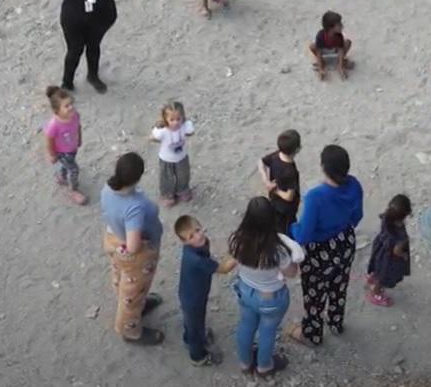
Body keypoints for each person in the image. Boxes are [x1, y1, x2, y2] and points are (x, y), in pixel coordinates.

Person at [289, 144, 364, 346]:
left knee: (315, 294)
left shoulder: (315, 196)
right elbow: (357, 217)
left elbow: (304, 236)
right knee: (339, 287)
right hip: (345, 243)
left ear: (323, 167)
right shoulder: (355, 185)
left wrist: (292, 228)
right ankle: (336, 322)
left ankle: (312, 334)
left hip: (319, 252)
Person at [230, 197, 304, 377]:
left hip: (245, 290)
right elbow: (291, 273)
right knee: (267, 331)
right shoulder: (276, 250)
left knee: (246, 325)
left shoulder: (237, 240)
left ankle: (245, 363)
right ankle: (264, 367)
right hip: (270, 297)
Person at [99, 152, 165, 345]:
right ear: (137, 177)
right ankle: (131, 331)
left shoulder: (108, 188)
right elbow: (134, 246)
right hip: (135, 256)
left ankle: (139, 305)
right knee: (133, 291)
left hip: (113, 239)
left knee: (120, 277)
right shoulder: (134, 207)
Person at [175, 215, 237, 366]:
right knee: (195, 325)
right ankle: (198, 356)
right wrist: (239, 254)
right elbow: (223, 269)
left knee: (193, 322)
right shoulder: (195, 259)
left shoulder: (198, 246)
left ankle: (190, 338)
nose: (198, 236)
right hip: (194, 299)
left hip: (192, 293)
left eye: (198, 230)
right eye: (191, 236)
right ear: (184, 241)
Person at [43, 85, 87, 205]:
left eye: (71, 103)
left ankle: (62, 177)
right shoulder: (54, 125)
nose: (71, 107)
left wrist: (79, 138)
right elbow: (49, 140)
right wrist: (52, 154)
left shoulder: (75, 115)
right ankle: (73, 190)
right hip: (62, 152)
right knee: (74, 170)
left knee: (67, 164)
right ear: (57, 110)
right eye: (66, 106)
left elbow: (78, 126)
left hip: (72, 148)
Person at [366, 194, 412, 307]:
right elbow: (396, 251)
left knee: (377, 266)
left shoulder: (385, 217)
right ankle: (375, 293)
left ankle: (372, 277)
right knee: (383, 277)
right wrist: (403, 255)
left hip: (380, 248)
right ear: (405, 215)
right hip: (389, 259)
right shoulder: (401, 235)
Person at [150, 101, 195, 207]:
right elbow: (152, 137)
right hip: (166, 159)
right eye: (172, 120)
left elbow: (191, 132)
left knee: (183, 175)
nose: (175, 122)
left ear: (182, 117)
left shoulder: (185, 126)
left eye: (178, 119)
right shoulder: (162, 131)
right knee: (166, 177)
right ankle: (167, 194)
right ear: (165, 119)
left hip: (182, 157)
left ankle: (182, 190)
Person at [259, 130, 303, 234]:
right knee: (287, 229)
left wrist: (266, 181)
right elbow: (289, 197)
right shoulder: (291, 172)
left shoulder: (276, 155)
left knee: (276, 222)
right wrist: (276, 190)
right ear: (297, 149)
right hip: (287, 209)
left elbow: (261, 162)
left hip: (274, 201)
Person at [310, 10, 353, 81]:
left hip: (334, 50)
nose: (342, 26)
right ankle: (322, 63)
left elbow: (341, 50)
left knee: (348, 43)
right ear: (331, 28)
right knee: (312, 46)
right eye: (339, 25)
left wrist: (340, 67)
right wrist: (321, 69)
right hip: (324, 51)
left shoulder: (339, 36)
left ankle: (338, 63)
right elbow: (319, 52)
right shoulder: (320, 36)